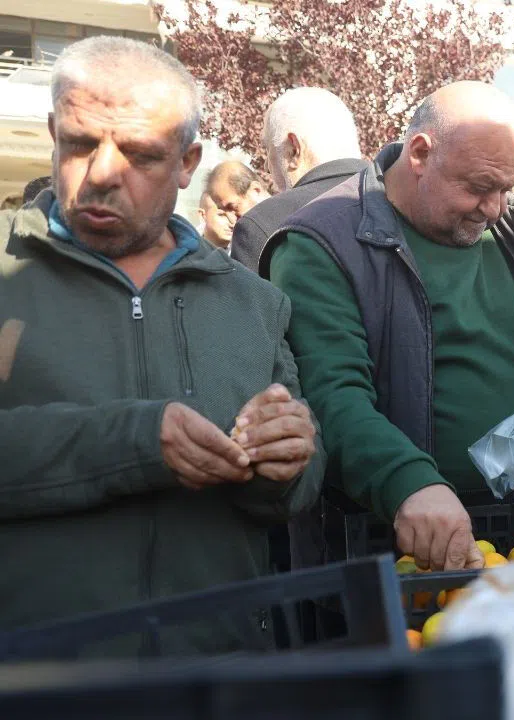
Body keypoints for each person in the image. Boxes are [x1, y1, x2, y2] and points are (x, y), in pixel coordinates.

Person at [0, 37, 323, 654]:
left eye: (141, 155)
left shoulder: (254, 301)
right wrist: (135, 442)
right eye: (79, 143)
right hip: (34, 683)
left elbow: (298, 493)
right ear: (52, 131)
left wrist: (289, 460)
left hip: (219, 676)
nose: (100, 174)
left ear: (186, 162)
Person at [261, 81, 514, 573]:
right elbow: (330, 397)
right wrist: (407, 480)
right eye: (476, 188)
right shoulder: (319, 245)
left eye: (505, 189)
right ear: (421, 153)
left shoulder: (507, 220)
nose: (494, 209)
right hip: (408, 539)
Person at [230, 87, 366, 273]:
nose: (267, 168)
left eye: (268, 151)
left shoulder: (262, 225)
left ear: (294, 150)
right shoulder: (404, 202)